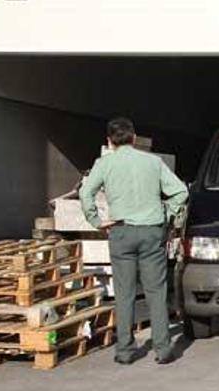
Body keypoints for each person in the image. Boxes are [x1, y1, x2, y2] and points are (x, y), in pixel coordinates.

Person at [80, 117, 189, 365]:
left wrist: (96, 221)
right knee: (156, 291)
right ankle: (163, 349)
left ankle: (126, 351)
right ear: (135, 138)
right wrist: (168, 213)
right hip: (152, 231)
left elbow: (86, 192)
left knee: (124, 293)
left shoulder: (104, 163)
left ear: (109, 141)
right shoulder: (153, 162)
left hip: (121, 231)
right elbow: (180, 191)